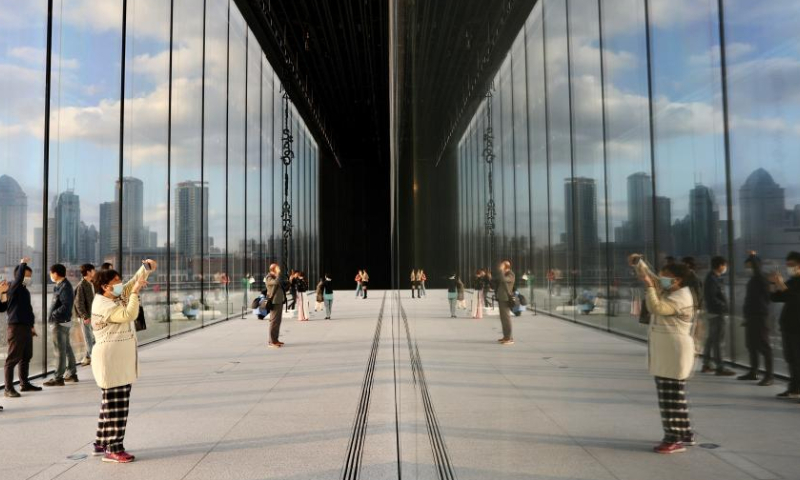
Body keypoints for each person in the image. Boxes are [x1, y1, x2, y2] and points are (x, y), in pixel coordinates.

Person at [89, 259, 154, 463]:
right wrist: (134, 293)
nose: (120, 284)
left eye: (119, 280)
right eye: (115, 281)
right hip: (111, 359)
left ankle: (101, 442)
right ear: (104, 286)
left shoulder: (112, 296)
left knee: (110, 402)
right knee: (117, 405)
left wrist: (146, 269)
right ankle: (113, 449)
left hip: (116, 358)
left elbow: (132, 282)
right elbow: (129, 313)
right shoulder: (103, 304)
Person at [633, 255, 697, 454]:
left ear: (678, 280)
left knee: (670, 398)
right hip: (668, 349)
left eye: (667, 277)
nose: (662, 279)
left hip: (674, 350)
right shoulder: (673, 291)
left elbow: (656, 307)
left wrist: (650, 287)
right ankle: (685, 433)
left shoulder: (681, 297)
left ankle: (673, 438)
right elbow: (651, 276)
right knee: (675, 395)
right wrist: (638, 263)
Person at [2, 258, 41, 400]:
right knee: (12, 359)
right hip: (16, 327)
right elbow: (19, 279)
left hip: (26, 327)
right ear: (19, 275)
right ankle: (8, 388)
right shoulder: (13, 287)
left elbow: (28, 310)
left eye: (30, 276)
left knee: (26, 356)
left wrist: (32, 327)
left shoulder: (25, 291)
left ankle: (24, 384)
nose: (29, 279)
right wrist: (22, 263)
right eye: (27, 276)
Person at [769, 251, 800, 399]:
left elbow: (794, 298)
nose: (789, 268)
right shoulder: (792, 281)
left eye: (792, 265)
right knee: (791, 359)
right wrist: (773, 284)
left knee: (797, 360)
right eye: (787, 265)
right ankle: (794, 388)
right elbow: (776, 297)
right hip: (788, 326)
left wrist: (781, 284)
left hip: (797, 327)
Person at [739, 252, 773, 385]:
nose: (747, 269)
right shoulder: (753, 280)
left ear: (755, 266)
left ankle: (769, 376)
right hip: (751, 316)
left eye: (749, 266)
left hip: (760, 316)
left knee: (764, 346)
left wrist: (753, 256)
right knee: (751, 345)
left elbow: (765, 297)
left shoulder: (761, 278)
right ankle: (754, 371)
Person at [43, 264, 77, 387]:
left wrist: (53, 315)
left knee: (59, 351)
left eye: (51, 273)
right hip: (63, 321)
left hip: (60, 322)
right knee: (66, 348)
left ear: (56, 273)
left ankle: (58, 378)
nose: (50, 275)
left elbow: (66, 306)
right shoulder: (60, 286)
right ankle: (72, 373)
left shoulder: (65, 287)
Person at [701, 256, 735, 376]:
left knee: (711, 339)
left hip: (713, 312)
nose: (726, 267)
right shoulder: (712, 279)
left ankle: (706, 364)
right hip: (717, 313)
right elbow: (711, 297)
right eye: (725, 265)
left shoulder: (713, 278)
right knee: (718, 341)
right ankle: (720, 367)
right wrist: (724, 307)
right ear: (720, 265)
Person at [73, 264, 96, 367]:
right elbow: (78, 303)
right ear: (88, 272)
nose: (94, 272)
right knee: (88, 338)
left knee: (94, 337)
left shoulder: (91, 283)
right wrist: (85, 316)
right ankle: (92, 357)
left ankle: (87, 357)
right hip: (86, 317)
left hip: (93, 315)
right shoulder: (81, 285)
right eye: (93, 270)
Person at [681, 257, 705, 355]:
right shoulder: (689, 276)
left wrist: (699, 306)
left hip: (692, 306)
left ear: (687, 265)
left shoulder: (692, 277)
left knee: (694, 328)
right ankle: (693, 347)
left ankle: (695, 348)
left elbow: (698, 293)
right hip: (690, 306)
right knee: (693, 327)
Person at [494, 261, 515, 345]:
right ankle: (506, 336)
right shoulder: (505, 274)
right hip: (502, 298)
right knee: (503, 318)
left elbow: (504, 280)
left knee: (506, 318)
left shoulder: (511, 274)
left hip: (506, 299)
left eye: (502, 266)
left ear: (506, 267)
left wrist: (502, 271)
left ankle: (509, 338)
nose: (500, 267)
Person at [266, 264, 287, 347]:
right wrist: (278, 274)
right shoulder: (269, 277)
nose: (279, 269)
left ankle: (275, 339)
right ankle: (271, 341)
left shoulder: (274, 277)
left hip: (278, 301)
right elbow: (275, 282)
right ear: (273, 269)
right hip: (274, 301)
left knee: (278, 321)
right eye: (277, 268)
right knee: (274, 321)